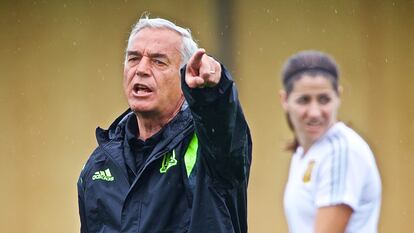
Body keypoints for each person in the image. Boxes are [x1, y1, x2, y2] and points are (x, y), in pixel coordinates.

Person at [77, 16, 252, 233]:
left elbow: (224, 131)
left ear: (186, 76)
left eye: (158, 61)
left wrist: (212, 92)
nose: (141, 69)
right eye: (133, 58)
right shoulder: (98, 165)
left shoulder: (208, 146)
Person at [279, 50, 381, 233]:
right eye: (304, 100)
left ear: (338, 96)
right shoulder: (304, 152)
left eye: (324, 99)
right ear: (284, 100)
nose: (315, 112)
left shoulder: (341, 152)